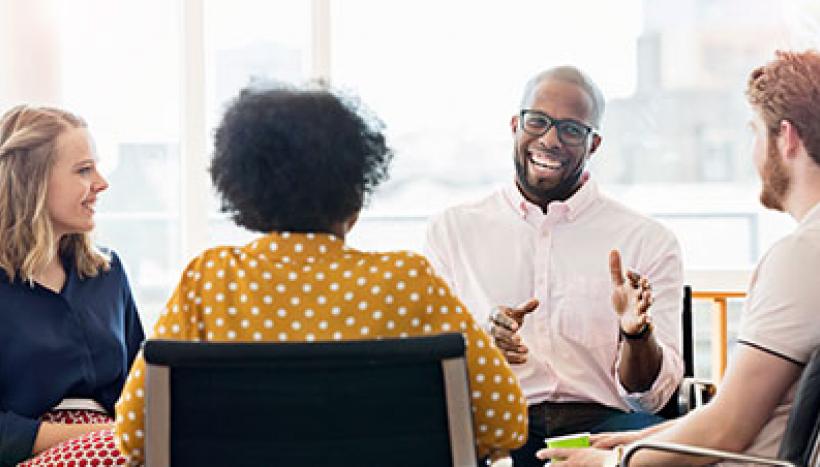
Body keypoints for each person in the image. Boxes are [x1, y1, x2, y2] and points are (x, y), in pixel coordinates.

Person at [114, 84, 528, 465]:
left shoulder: (209, 281)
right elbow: (505, 422)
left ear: (245, 191)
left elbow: (135, 436)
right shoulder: (408, 281)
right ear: (355, 191)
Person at [538, 49, 820, 466]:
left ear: (788, 138)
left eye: (755, 134)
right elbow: (736, 412)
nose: (753, 153)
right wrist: (630, 441)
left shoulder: (800, 257)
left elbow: (727, 429)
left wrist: (612, 464)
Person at [424, 66, 684, 466]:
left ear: (594, 144)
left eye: (571, 129)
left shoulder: (647, 240)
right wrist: (483, 344)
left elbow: (653, 399)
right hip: (496, 426)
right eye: (538, 121)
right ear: (515, 125)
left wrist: (636, 334)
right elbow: (434, 370)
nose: (550, 139)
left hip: (602, 427)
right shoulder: (453, 231)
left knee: (663, 454)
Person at [0, 105, 144, 466]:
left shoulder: (108, 273)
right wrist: (107, 436)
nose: (101, 183)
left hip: (117, 448)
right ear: (31, 181)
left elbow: (142, 386)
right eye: (84, 170)